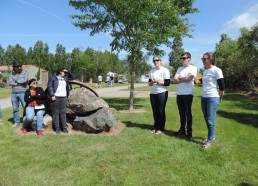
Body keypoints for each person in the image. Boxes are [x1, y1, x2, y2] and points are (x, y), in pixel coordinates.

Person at [201, 52, 225, 149]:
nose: (203, 60)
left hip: (213, 97)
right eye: (202, 59)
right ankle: (212, 136)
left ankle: (210, 140)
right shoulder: (205, 71)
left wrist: (220, 98)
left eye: (205, 59)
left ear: (211, 59)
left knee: (210, 119)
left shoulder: (217, 70)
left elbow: (222, 86)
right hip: (204, 97)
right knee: (207, 118)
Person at [173, 52, 197, 139]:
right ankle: (182, 130)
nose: (182, 60)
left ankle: (189, 132)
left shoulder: (193, 68)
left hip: (188, 94)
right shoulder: (179, 68)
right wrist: (184, 78)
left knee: (188, 113)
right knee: (181, 113)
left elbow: (189, 79)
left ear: (189, 59)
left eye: (184, 58)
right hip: (179, 94)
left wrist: (180, 78)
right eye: (181, 58)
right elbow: (175, 80)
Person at [148, 56, 170, 134]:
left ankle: (161, 128)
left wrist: (158, 81)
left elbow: (167, 83)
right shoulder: (151, 71)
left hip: (162, 92)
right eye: (154, 60)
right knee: (155, 111)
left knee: (161, 111)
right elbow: (149, 83)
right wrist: (152, 82)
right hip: (153, 93)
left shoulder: (165, 70)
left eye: (157, 60)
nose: (155, 62)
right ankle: (155, 127)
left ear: (160, 61)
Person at [47, 67, 70, 134]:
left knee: (63, 112)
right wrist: (52, 95)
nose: (65, 73)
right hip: (56, 97)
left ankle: (64, 128)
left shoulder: (65, 78)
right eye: (64, 72)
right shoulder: (53, 77)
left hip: (64, 97)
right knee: (56, 113)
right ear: (60, 72)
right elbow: (49, 86)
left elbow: (73, 76)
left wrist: (67, 70)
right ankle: (57, 128)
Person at [8, 60, 29, 126]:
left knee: (25, 107)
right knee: (15, 109)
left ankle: (26, 121)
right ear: (14, 67)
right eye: (17, 67)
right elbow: (10, 83)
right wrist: (20, 82)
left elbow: (25, 81)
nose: (19, 68)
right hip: (14, 93)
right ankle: (16, 122)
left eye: (20, 66)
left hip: (23, 92)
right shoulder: (11, 74)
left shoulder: (25, 72)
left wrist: (16, 81)